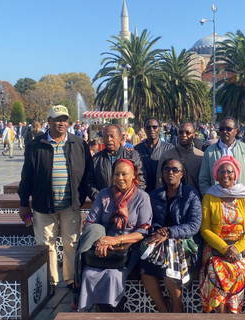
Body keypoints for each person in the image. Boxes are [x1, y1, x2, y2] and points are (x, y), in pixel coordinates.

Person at [18, 105, 90, 295]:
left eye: (64, 119)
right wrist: (24, 202)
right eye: (57, 119)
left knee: (71, 242)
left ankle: (71, 279)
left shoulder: (78, 143)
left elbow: (88, 174)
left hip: (70, 204)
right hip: (43, 205)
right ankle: (50, 281)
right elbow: (27, 176)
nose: (61, 123)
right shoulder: (36, 144)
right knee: (45, 244)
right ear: (48, 122)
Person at [75, 159, 152, 311]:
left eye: (124, 174)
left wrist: (116, 240)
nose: (120, 178)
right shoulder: (104, 195)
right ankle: (100, 311)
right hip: (103, 244)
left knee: (113, 276)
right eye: (117, 174)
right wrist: (101, 241)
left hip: (128, 247)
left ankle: (115, 312)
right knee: (89, 273)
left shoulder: (142, 197)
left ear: (133, 175)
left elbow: (143, 232)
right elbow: (91, 222)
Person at [199, 156, 245, 313]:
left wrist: (237, 248)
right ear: (216, 175)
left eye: (229, 171)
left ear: (236, 174)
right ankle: (221, 315)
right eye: (222, 171)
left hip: (243, 246)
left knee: (238, 268)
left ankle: (233, 313)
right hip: (216, 245)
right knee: (215, 269)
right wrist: (225, 248)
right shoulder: (210, 196)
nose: (226, 175)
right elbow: (205, 229)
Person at [140, 158, 202, 313]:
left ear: (182, 174)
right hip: (160, 239)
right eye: (167, 169)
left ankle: (177, 306)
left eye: (175, 170)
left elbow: (194, 225)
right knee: (144, 267)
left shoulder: (190, 194)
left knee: (169, 261)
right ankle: (163, 310)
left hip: (184, 241)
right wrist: (158, 230)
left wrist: (169, 233)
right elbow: (149, 220)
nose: (170, 173)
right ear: (162, 173)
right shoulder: (154, 195)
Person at [199, 117, 245, 196]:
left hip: (241, 201)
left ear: (236, 131)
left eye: (228, 129)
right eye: (221, 129)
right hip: (217, 201)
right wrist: (210, 198)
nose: (225, 131)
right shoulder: (209, 152)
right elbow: (203, 179)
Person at [86, 124, 145, 201]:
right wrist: (101, 199)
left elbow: (140, 181)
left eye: (112, 136)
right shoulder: (96, 159)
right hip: (103, 205)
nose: (109, 139)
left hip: (128, 204)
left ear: (120, 137)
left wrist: (128, 200)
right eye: (106, 136)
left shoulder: (132, 156)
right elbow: (90, 182)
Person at [155, 122, 204, 193]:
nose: (184, 135)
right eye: (181, 132)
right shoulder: (167, 155)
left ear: (193, 135)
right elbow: (160, 180)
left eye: (187, 133)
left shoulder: (201, 156)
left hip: (195, 197)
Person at [135, 118, 174, 193]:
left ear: (159, 129)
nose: (151, 129)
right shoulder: (137, 149)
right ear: (144, 129)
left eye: (154, 127)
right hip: (142, 190)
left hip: (162, 191)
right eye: (148, 127)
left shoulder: (169, 149)